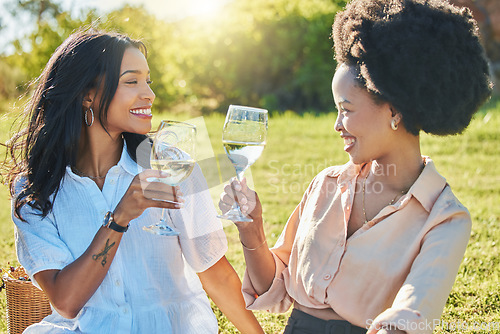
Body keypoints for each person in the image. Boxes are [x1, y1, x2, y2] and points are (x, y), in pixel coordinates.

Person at [219, 0, 492, 333]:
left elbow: (415, 310)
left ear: (395, 111)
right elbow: (275, 286)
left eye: (346, 110)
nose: (337, 125)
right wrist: (251, 230)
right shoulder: (326, 185)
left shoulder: (444, 218)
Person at [4, 29, 263, 334]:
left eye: (148, 81)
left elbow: (214, 272)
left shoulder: (172, 165)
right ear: (87, 94)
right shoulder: (35, 190)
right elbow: (66, 302)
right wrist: (120, 217)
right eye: (131, 81)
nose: (149, 94)